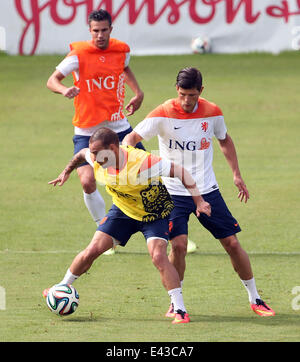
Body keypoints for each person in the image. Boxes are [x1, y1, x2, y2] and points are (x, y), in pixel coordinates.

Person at [123, 67, 275, 317]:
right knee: (179, 246)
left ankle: (255, 298)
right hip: (172, 193)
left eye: (191, 95)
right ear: (177, 90)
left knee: (232, 243)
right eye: (182, 94)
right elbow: (130, 140)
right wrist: (140, 164)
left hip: (206, 191)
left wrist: (236, 174)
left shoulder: (212, 112)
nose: (186, 100)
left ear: (200, 92)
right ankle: (176, 304)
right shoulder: (162, 113)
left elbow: (224, 140)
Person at [45, 127, 211, 324]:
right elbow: (80, 155)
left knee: (158, 256)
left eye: (98, 153)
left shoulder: (143, 162)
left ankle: (179, 309)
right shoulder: (94, 158)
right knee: (92, 250)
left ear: (113, 148)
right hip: (123, 212)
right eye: (93, 152)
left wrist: (199, 201)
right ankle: (62, 288)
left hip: (154, 214)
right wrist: (66, 171)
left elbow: (181, 172)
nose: (95, 157)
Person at [46, 9, 145, 255]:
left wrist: (138, 92)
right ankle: (105, 233)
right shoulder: (78, 55)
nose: (99, 35)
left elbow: (125, 68)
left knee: (148, 178)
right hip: (87, 131)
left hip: (119, 127)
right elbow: (52, 80)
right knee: (88, 181)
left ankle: (171, 230)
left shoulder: (121, 49)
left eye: (104, 30)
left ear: (111, 29)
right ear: (89, 31)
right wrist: (63, 90)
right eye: (95, 31)